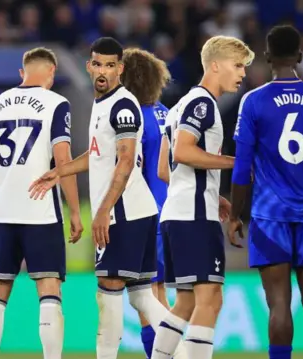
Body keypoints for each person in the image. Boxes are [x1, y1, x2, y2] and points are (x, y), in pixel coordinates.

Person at [30, 37, 176, 359]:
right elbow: (99, 154)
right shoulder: (103, 103)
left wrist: (103, 211)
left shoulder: (124, 105)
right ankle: (189, 351)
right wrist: (61, 170)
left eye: (110, 65)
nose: (103, 71)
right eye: (98, 63)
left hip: (125, 214)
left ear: (120, 69)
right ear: (89, 66)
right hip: (135, 211)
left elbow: (125, 161)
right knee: (142, 298)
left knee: (108, 297)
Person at [228, 25, 303, 359]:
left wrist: (235, 215)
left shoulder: (253, 102)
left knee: (279, 304)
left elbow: (241, 168)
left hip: (268, 217)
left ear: (266, 57)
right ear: (300, 56)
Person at [0, 47, 83, 359]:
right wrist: (74, 210)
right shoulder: (57, 104)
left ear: (22, 73)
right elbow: (64, 160)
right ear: (51, 74)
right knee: (48, 289)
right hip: (42, 210)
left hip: (5, 213)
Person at [150, 35, 250, 359]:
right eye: (237, 66)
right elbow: (182, 151)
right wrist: (235, 163)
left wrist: (211, 187)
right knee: (210, 300)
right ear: (216, 65)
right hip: (193, 216)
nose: (242, 73)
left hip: (177, 212)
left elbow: (165, 169)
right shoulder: (203, 103)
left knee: (187, 302)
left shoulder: (179, 104)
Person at [119, 47, 173, 359]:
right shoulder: (167, 112)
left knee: (142, 298)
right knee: (159, 292)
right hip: (171, 214)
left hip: (145, 216)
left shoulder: (132, 118)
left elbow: (128, 167)